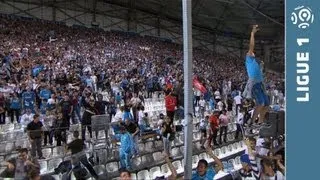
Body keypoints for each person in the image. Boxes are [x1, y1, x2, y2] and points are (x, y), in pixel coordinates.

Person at [243, 25, 269, 125]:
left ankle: (260, 121)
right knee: (261, 103)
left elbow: (260, 73)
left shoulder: (257, 65)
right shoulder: (249, 59)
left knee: (266, 104)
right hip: (254, 85)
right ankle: (252, 122)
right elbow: (251, 46)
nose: (253, 53)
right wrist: (252, 34)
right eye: (252, 53)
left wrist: (261, 66)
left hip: (260, 85)